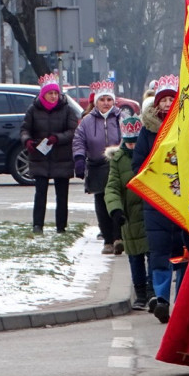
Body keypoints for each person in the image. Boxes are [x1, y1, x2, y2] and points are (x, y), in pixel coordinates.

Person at [132, 74, 185, 323]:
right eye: (162, 100)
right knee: (160, 253)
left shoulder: (185, 127)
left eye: (170, 100)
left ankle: (183, 300)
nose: (166, 105)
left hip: (182, 199)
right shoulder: (147, 131)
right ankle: (162, 299)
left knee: (183, 252)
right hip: (156, 202)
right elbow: (138, 165)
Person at [20, 73, 81, 234]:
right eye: (50, 93)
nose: (53, 96)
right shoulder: (33, 109)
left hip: (62, 157)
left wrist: (57, 138)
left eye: (56, 93)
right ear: (43, 94)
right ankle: (37, 225)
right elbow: (25, 129)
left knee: (62, 196)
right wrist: (28, 141)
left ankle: (61, 226)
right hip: (40, 157)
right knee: (40, 193)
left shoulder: (67, 109)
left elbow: (73, 131)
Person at [104, 116, 151, 310]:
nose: (132, 147)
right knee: (135, 257)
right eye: (129, 143)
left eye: (135, 143)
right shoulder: (118, 160)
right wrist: (116, 209)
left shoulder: (150, 156)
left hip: (150, 213)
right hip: (130, 218)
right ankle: (140, 294)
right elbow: (112, 187)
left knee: (154, 256)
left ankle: (153, 292)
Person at [73, 80, 123, 254]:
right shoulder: (87, 121)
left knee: (117, 200)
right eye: (102, 100)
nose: (106, 103)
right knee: (101, 202)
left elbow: (128, 138)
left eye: (109, 99)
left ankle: (119, 237)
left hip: (117, 165)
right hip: (96, 165)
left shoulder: (120, 118)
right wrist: (79, 158)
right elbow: (79, 140)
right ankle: (108, 240)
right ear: (96, 102)